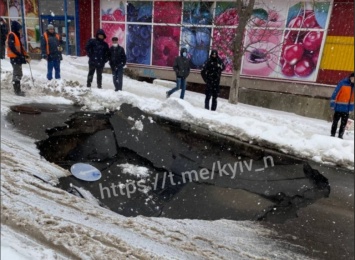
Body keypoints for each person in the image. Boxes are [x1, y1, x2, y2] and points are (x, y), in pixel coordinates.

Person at [7, 20, 30, 96]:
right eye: (19, 28)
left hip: (17, 57)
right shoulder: (12, 35)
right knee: (17, 74)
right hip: (14, 57)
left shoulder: (16, 35)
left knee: (18, 73)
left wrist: (24, 55)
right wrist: (18, 54)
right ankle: (17, 91)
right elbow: (12, 46)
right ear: (16, 28)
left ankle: (17, 90)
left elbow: (19, 47)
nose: (20, 30)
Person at [330, 72, 354, 139]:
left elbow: (353, 99)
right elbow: (335, 94)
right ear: (351, 77)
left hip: (347, 109)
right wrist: (332, 104)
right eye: (353, 78)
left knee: (343, 124)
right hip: (338, 107)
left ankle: (340, 136)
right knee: (335, 122)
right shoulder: (343, 83)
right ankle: (332, 134)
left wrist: (351, 109)